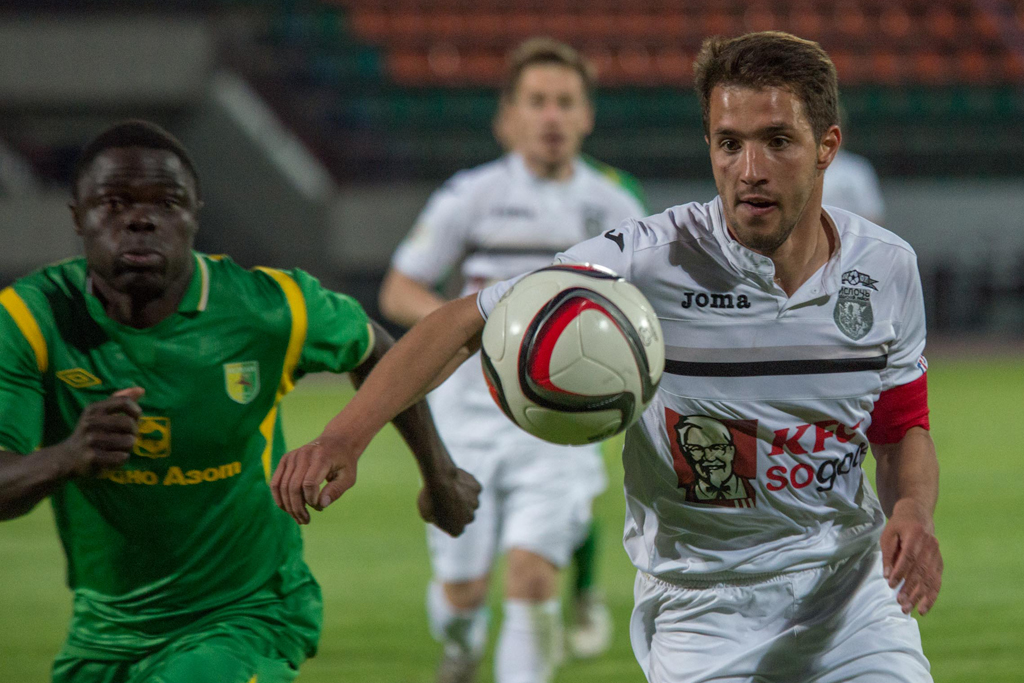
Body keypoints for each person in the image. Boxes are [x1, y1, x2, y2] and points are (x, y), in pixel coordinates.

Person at [275, 31, 942, 682]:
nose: (749, 170)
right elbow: (460, 322)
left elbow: (901, 426)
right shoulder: (647, 260)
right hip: (704, 606)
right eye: (728, 143)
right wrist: (345, 436)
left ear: (827, 148)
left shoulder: (886, 268)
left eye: (777, 141)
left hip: (850, 591)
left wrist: (911, 507)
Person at [0, 120, 480, 683]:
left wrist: (439, 475)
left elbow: (372, 346)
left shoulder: (265, 308)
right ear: (77, 216)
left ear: (194, 216)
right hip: (104, 635)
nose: (140, 219)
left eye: (167, 203)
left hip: (247, 616)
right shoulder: (31, 321)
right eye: (113, 203)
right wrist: (66, 456)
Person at [376, 38, 647, 682]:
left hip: (562, 421)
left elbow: (646, 303)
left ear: (586, 116)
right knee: (463, 591)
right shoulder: (471, 196)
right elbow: (399, 289)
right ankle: (461, 642)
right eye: (537, 101)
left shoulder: (613, 206)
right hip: (467, 416)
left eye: (565, 102)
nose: (551, 116)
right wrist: (483, 329)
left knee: (531, 577)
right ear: (510, 116)